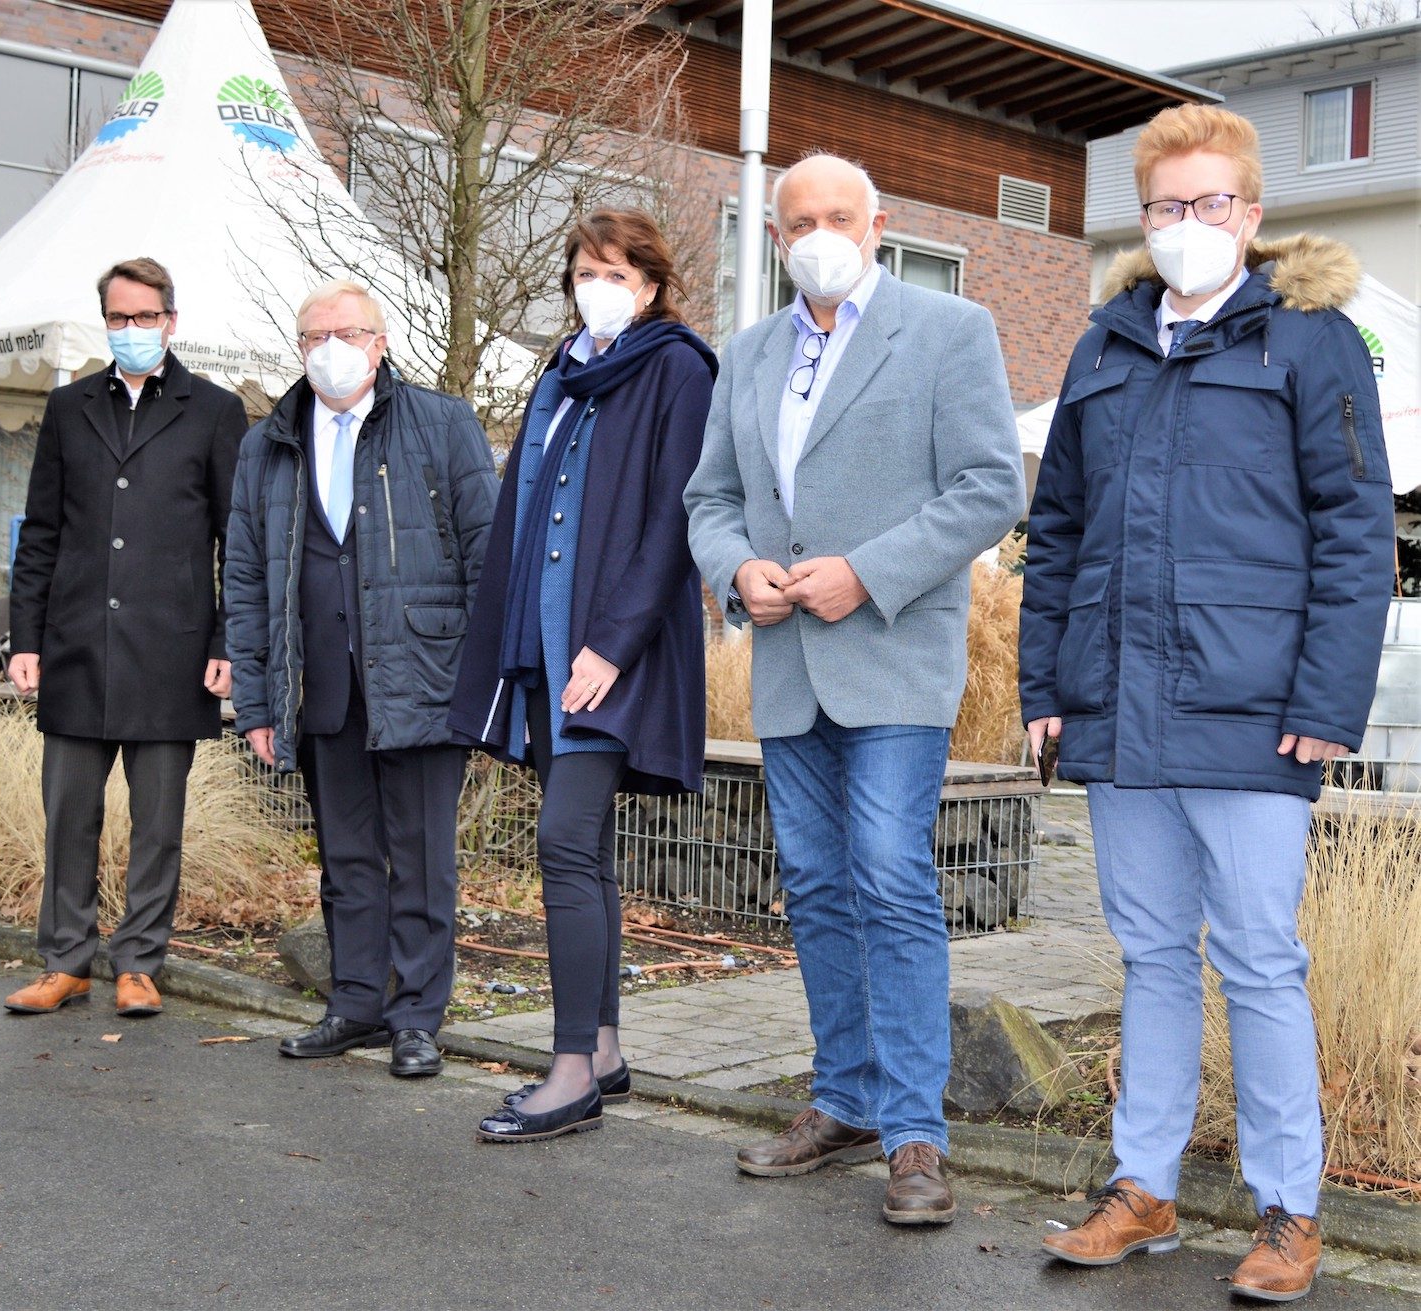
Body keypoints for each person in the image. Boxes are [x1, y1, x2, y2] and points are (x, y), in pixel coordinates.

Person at [1020, 105, 1394, 1304]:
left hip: (1253, 716)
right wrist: (1047, 689)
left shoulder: (1310, 338)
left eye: (1213, 203)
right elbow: (1059, 533)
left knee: (1261, 962)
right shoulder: (1104, 345)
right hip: (1121, 712)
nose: (1191, 224)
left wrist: (1329, 700)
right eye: (1169, 207)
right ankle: (1146, 1189)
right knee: (1149, 957)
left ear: (1253, 213)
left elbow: (1352, 531)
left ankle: (1292, 1211)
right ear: (1147, 217)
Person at [684, 155, 1024, 1221]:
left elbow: (989, 488)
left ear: (878, 223)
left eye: (840, 215)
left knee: (889, 878)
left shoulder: (946, 331)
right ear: (776, 237)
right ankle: (846, 1101)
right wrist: (736, 568)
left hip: (890, 656)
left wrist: (864, 572)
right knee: (821, 888)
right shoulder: (747, 354)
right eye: (799, 221)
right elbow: (711, 498)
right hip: (786, 665)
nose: (820, 233)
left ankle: (917, 1135)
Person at [449, 209, 716, 1143]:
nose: (596, 283)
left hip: (614, 656)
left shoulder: (680, 368)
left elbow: (678, 519)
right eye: (584, 269)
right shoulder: (561, 371)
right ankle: (600, 1046)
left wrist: (612, 643)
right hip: (547, 653)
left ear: (649, 284)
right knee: (585, 851)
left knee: (563, 844)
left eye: (616, 271)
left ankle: (568, 1072)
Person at [223, 280, 497, 1078]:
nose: (329, 347)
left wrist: (481, 683)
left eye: (346, 332)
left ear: (380, 343)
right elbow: (243, 575)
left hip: (421, 675)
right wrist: (257, 698)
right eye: (314, 335)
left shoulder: (441, 424)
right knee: (345, 857)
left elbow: (486, 554)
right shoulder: (268, 442)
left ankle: (416, 1016)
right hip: (321, 686)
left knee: (420, 858)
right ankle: (354, 1003)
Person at [6, 257, 246, 1020]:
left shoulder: (213, 410)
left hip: (172, 652)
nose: (133, 330)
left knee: (158, 824)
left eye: (146, 317)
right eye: (120, 318)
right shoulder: (69, 407)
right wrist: (25, 637)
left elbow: (234, 538)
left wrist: (228, 639)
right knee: (68, 815)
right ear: (105, 321)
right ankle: (66, 961)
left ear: (171, 321)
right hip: (76, 644)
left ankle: (140, 963)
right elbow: (41, 532)